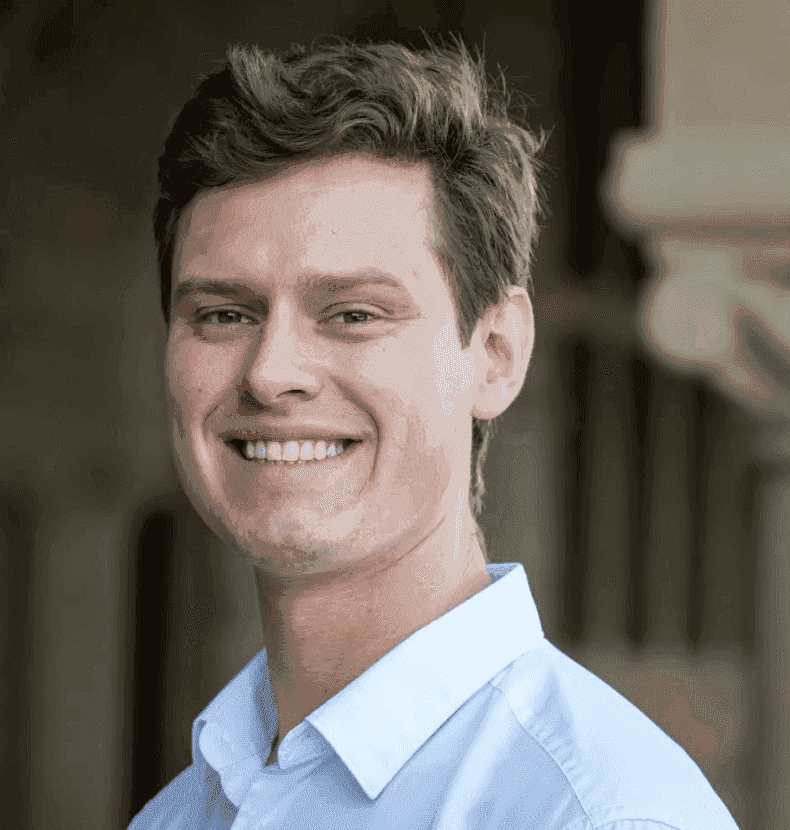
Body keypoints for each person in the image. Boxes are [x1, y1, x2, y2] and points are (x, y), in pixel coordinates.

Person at [129, 33, 738, 829]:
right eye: (222, 314)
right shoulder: (178, 816)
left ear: (496, 354)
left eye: (353, 313)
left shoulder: (600, 816)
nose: (270, 372)